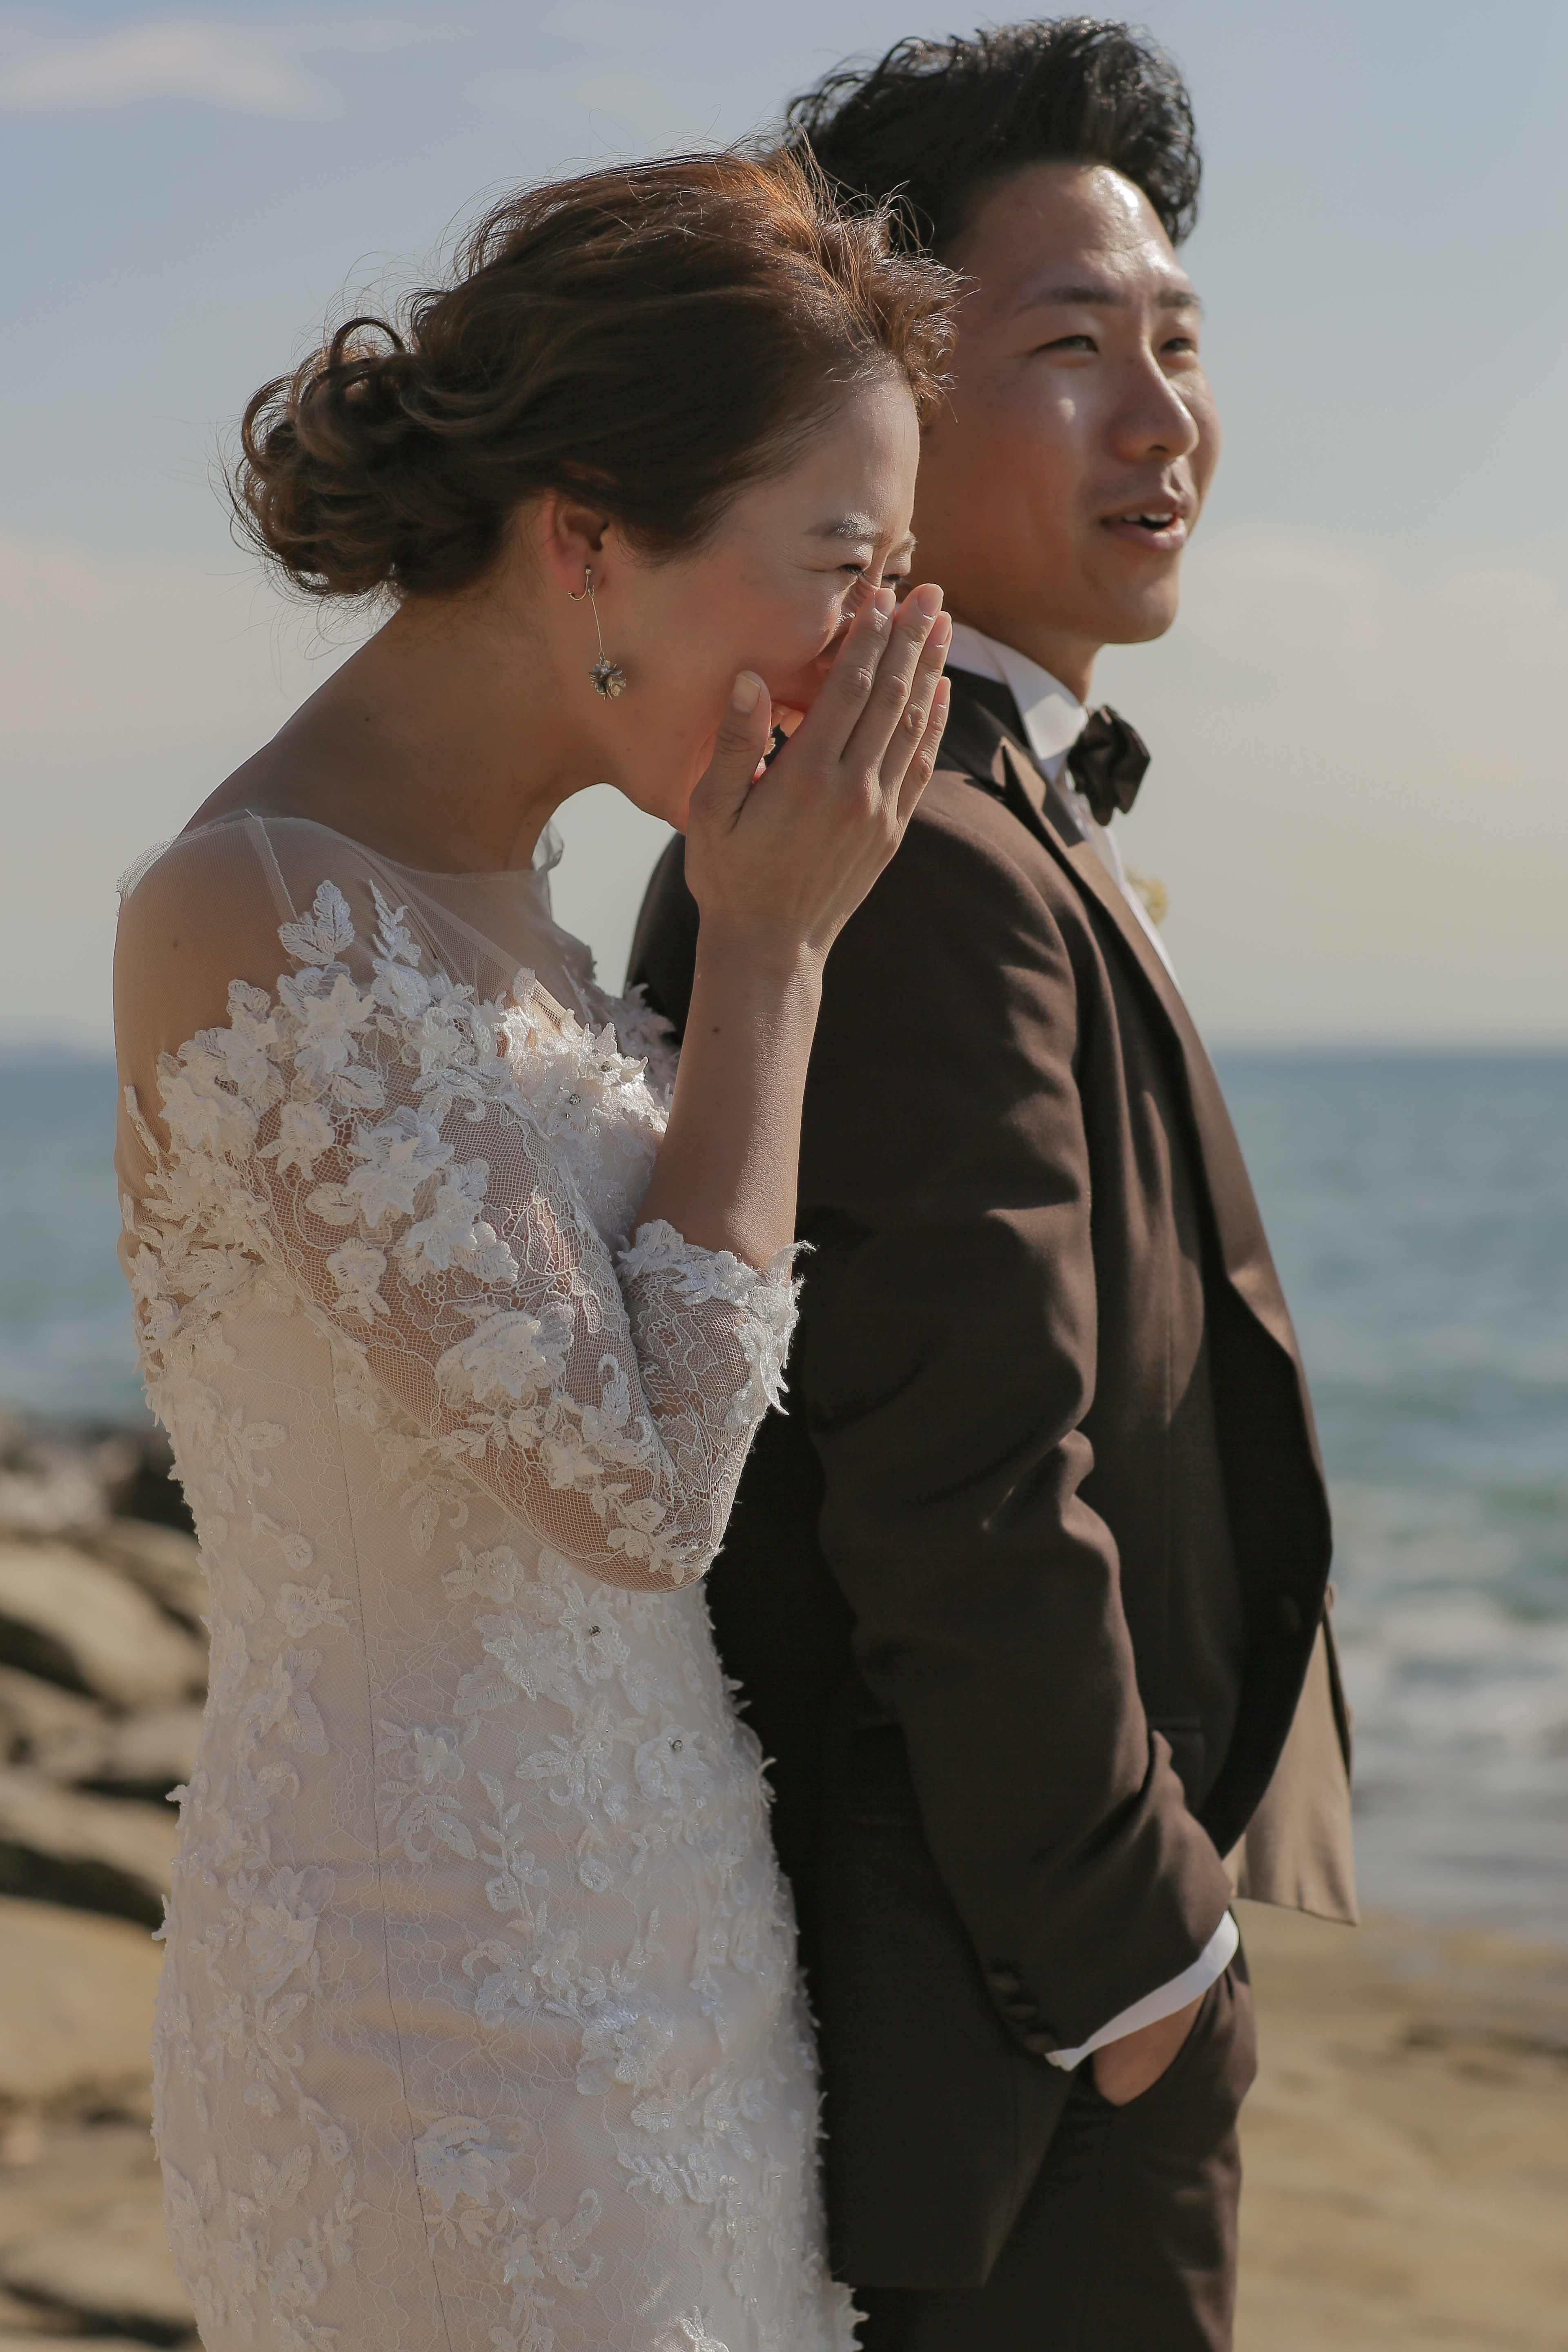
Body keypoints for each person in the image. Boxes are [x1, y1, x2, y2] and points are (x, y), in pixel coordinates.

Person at [111, 151, 957, 2352]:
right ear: (588, 535)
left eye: (898, 576)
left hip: (692, 1961)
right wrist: (769, 964)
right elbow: (638, 1494)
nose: (879, 644)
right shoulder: (252, 914)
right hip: (428, 2035)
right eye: (843, 562)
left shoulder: (544, 933)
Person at [628, 24, 1356, 2352]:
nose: (1162, 418)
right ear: (878, 398)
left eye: (1181, 345)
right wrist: (1146, 1968)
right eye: (1072, 348)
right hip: (1006, 2061)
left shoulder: (971, 811)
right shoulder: (915, 854)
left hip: (1012, 2032)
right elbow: (961, 1478)